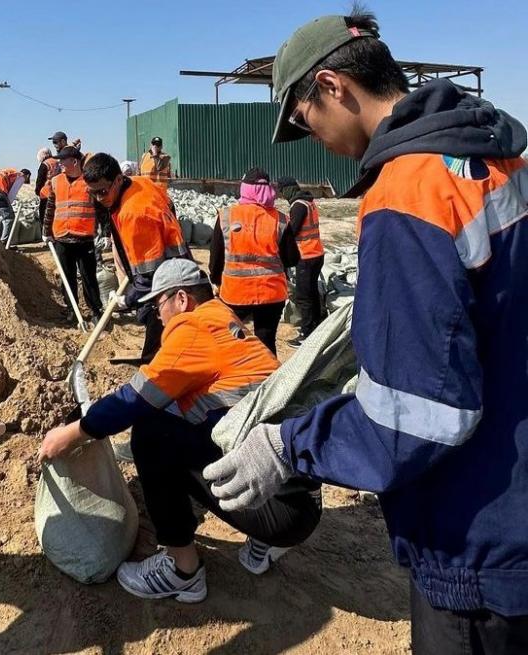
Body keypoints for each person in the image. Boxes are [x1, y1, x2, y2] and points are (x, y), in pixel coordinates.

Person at [203, 10, 528, 654]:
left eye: (303, 118)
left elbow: (420, 414)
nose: (311, 135)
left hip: (478, 540)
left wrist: (290, 446)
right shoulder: (494, 159)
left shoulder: (409, 191)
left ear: (332, 86)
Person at [39, 259, 322, 602]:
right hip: (298, 500)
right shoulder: (224, 323)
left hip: (275, 506)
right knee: (185, 424)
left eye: (159, 304)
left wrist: (74, 433)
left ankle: (181, 569)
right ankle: (264, 542)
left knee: (152, 432)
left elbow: (135, 399)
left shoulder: (194, 330)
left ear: (182, 300)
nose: (158, 315)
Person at [83, 153, 189, 362]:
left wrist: (128, 299)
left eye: (102, 192)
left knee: (160, 332)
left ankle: (153, 371)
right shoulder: (139, 183)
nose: (98, 198)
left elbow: (150, 273)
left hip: (167, 277)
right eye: (92, 193)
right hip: (173, 266)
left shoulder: (134, 213)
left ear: (119, 180)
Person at [209, 167, 300, 355]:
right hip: (271, 294)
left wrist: (216, 280)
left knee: (232, 342)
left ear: (245, 189)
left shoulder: (226, 216)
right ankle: (267, 381)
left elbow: (216, 258)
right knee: (266, 343)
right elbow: (292, 258)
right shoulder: (281, 219)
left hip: (234, 293)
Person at [42, 147, 104, 321]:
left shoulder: (89, 182)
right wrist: (46, 231)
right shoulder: (55, 181)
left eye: (63, 160)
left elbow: (101, 209)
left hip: (84, 238)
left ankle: (95, 311)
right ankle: (72, 311)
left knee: (88, 277)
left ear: (74, 161)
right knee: (67, 278)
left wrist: (105, 233)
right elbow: (50, 207)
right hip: (61, 237)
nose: (59, 163)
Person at [277, 176, 325, 347]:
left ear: (288, 189)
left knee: (304, 296)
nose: (281, 195)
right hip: (316, 253)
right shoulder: (308, 201)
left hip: (307, 256)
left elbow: (292, 233)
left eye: (282, 191)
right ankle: (317, 325)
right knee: (312, 292)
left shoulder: (298, 206)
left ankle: (307, 333)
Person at [0, 168, 30, 245]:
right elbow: (12, 193)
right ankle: (3, 243)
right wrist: (8, 205)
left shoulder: (11, 172)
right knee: (9, 218)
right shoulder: (21, 177)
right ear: (27, 176)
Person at [35, 147, 61, 224]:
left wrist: (37, 191)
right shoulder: (58, 163)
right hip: (58, 194)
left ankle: (45, 234)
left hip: (46, 194)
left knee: (44, 218)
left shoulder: (45, 164)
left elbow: (40, 180)